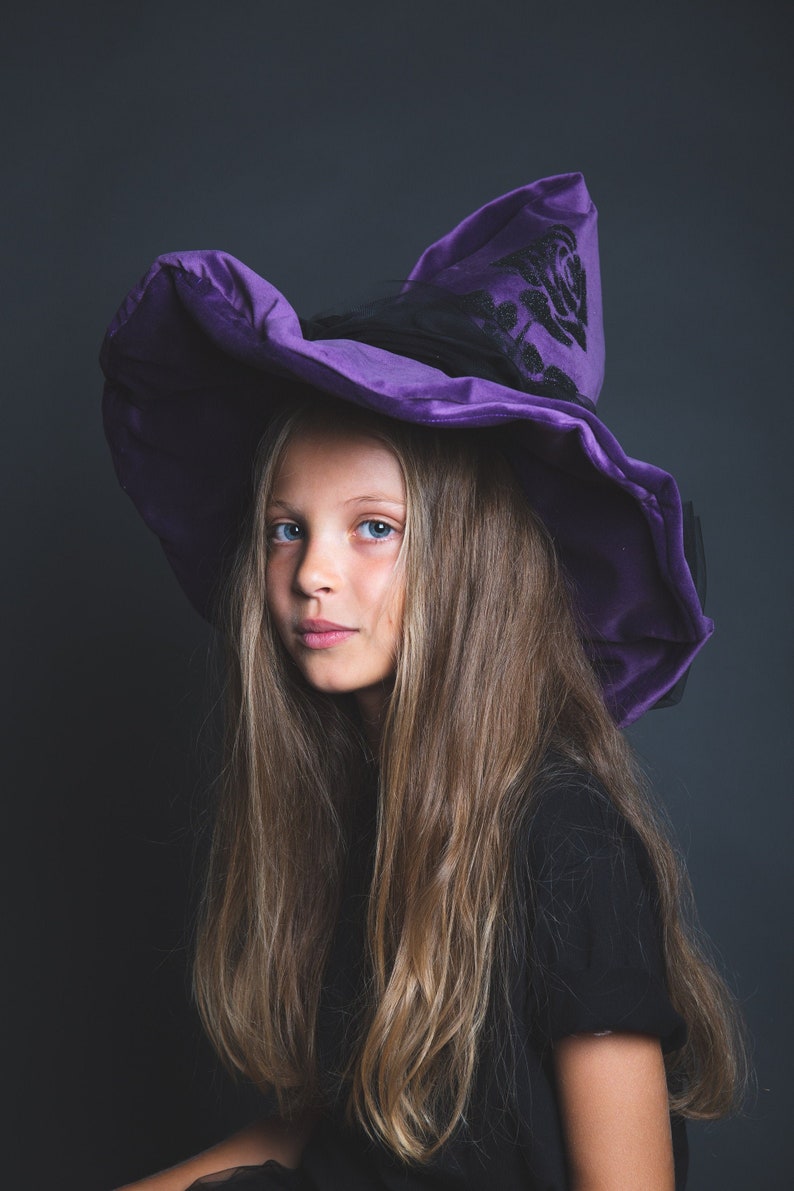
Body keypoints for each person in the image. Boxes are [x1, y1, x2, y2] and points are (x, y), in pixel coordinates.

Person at [101, 173, 745, 1191]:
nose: (311, 571)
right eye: (285, 528)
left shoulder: (562, 843)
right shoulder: (361, 811)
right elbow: (335, 1136)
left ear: (469, 562)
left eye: (373, 530)